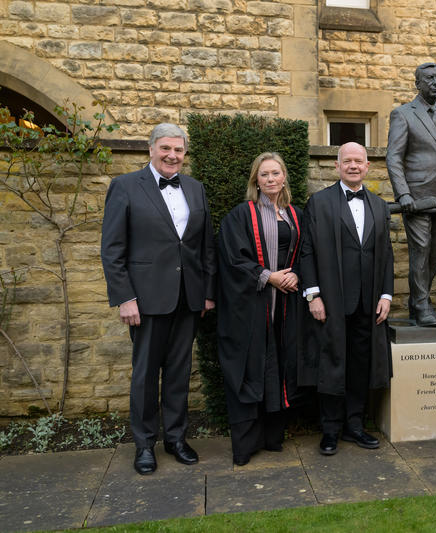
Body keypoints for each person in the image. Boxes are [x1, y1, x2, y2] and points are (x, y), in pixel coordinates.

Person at [101, 123, 216, 475]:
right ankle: (145, 444)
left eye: (179, 150)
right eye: (166, 148)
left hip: (188, 298)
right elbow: (112, 249)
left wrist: (208, 293)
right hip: (146, 299)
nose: (172, 155)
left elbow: (205, 246)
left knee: (179, 373)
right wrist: (125, 298)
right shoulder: (125, 186)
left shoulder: (195, 188)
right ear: (150, 149)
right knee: (146, 374)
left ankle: (177, 439)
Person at [216, 152, 312, 466]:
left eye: (275, 173)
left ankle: (273, 436)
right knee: (252, 365)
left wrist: (295, 272)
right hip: (253, 306)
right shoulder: (241, 215)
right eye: (264, 174)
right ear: (255, 180)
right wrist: (268, 277)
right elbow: (233, 259)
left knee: (281, 363)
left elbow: (305, 252)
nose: (270, 179)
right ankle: (246, 444)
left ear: (284, 177)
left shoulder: (296, 215)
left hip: (287, 306)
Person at [300, 142, 394, 456]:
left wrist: (386, 294)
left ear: (368, 166)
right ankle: (330, 430)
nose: (353, 166)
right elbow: (307, 251)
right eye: (347, 161)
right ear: (337, 166)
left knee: (359, 366)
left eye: (359, 161)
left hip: (368, 303)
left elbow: (387, 255)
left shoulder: (380, 206)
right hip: (332, 300)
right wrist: (313, 294)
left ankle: (355, 426)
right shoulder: (319, 202)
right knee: (332, 363)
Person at [386, 62, 436, 327]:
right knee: (420, 251)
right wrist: (403, 194)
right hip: (418, 199)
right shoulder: (403, 114)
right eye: (430, 78)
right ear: (417, 83)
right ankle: (421, 306)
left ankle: (422, 301)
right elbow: (394, 158)